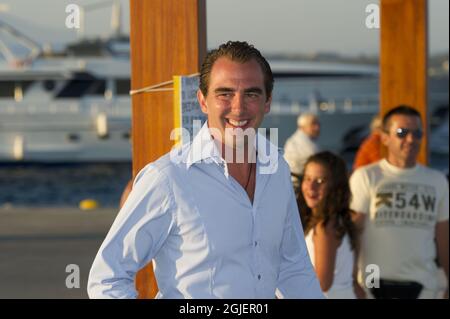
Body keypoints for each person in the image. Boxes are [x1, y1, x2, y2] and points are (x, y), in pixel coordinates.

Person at [87, 41, 323, 299]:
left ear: (267, 102)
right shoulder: (168, 179)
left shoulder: (277, 171)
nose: (238, 107)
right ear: (202, 100)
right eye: (225, 93)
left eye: (252, 94)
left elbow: (293, 268)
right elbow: (107, 278)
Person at [350, 105, 449, 299]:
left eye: (417, 133)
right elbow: (354, 232)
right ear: (385, 137)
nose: (411, 139)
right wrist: (353, 281)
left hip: (424, 286)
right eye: (402, 133)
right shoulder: (366, 176)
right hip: (372, 284)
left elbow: (444, 236)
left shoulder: (437, 180)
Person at [296, 151, 364, 299]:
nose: (311, 187)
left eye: (320, 181)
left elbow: (322, 283)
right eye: (307, 179)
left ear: (335, 186)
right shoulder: (341, 222)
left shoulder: (325, 227)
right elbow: (353, 282)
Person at [284, 113, 321, 189]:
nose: (317, 127)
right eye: (313, 124)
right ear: (302, 127)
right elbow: (320, 165)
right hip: (298, 186)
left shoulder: (296, 140)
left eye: (318, 124)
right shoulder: (304, 143)